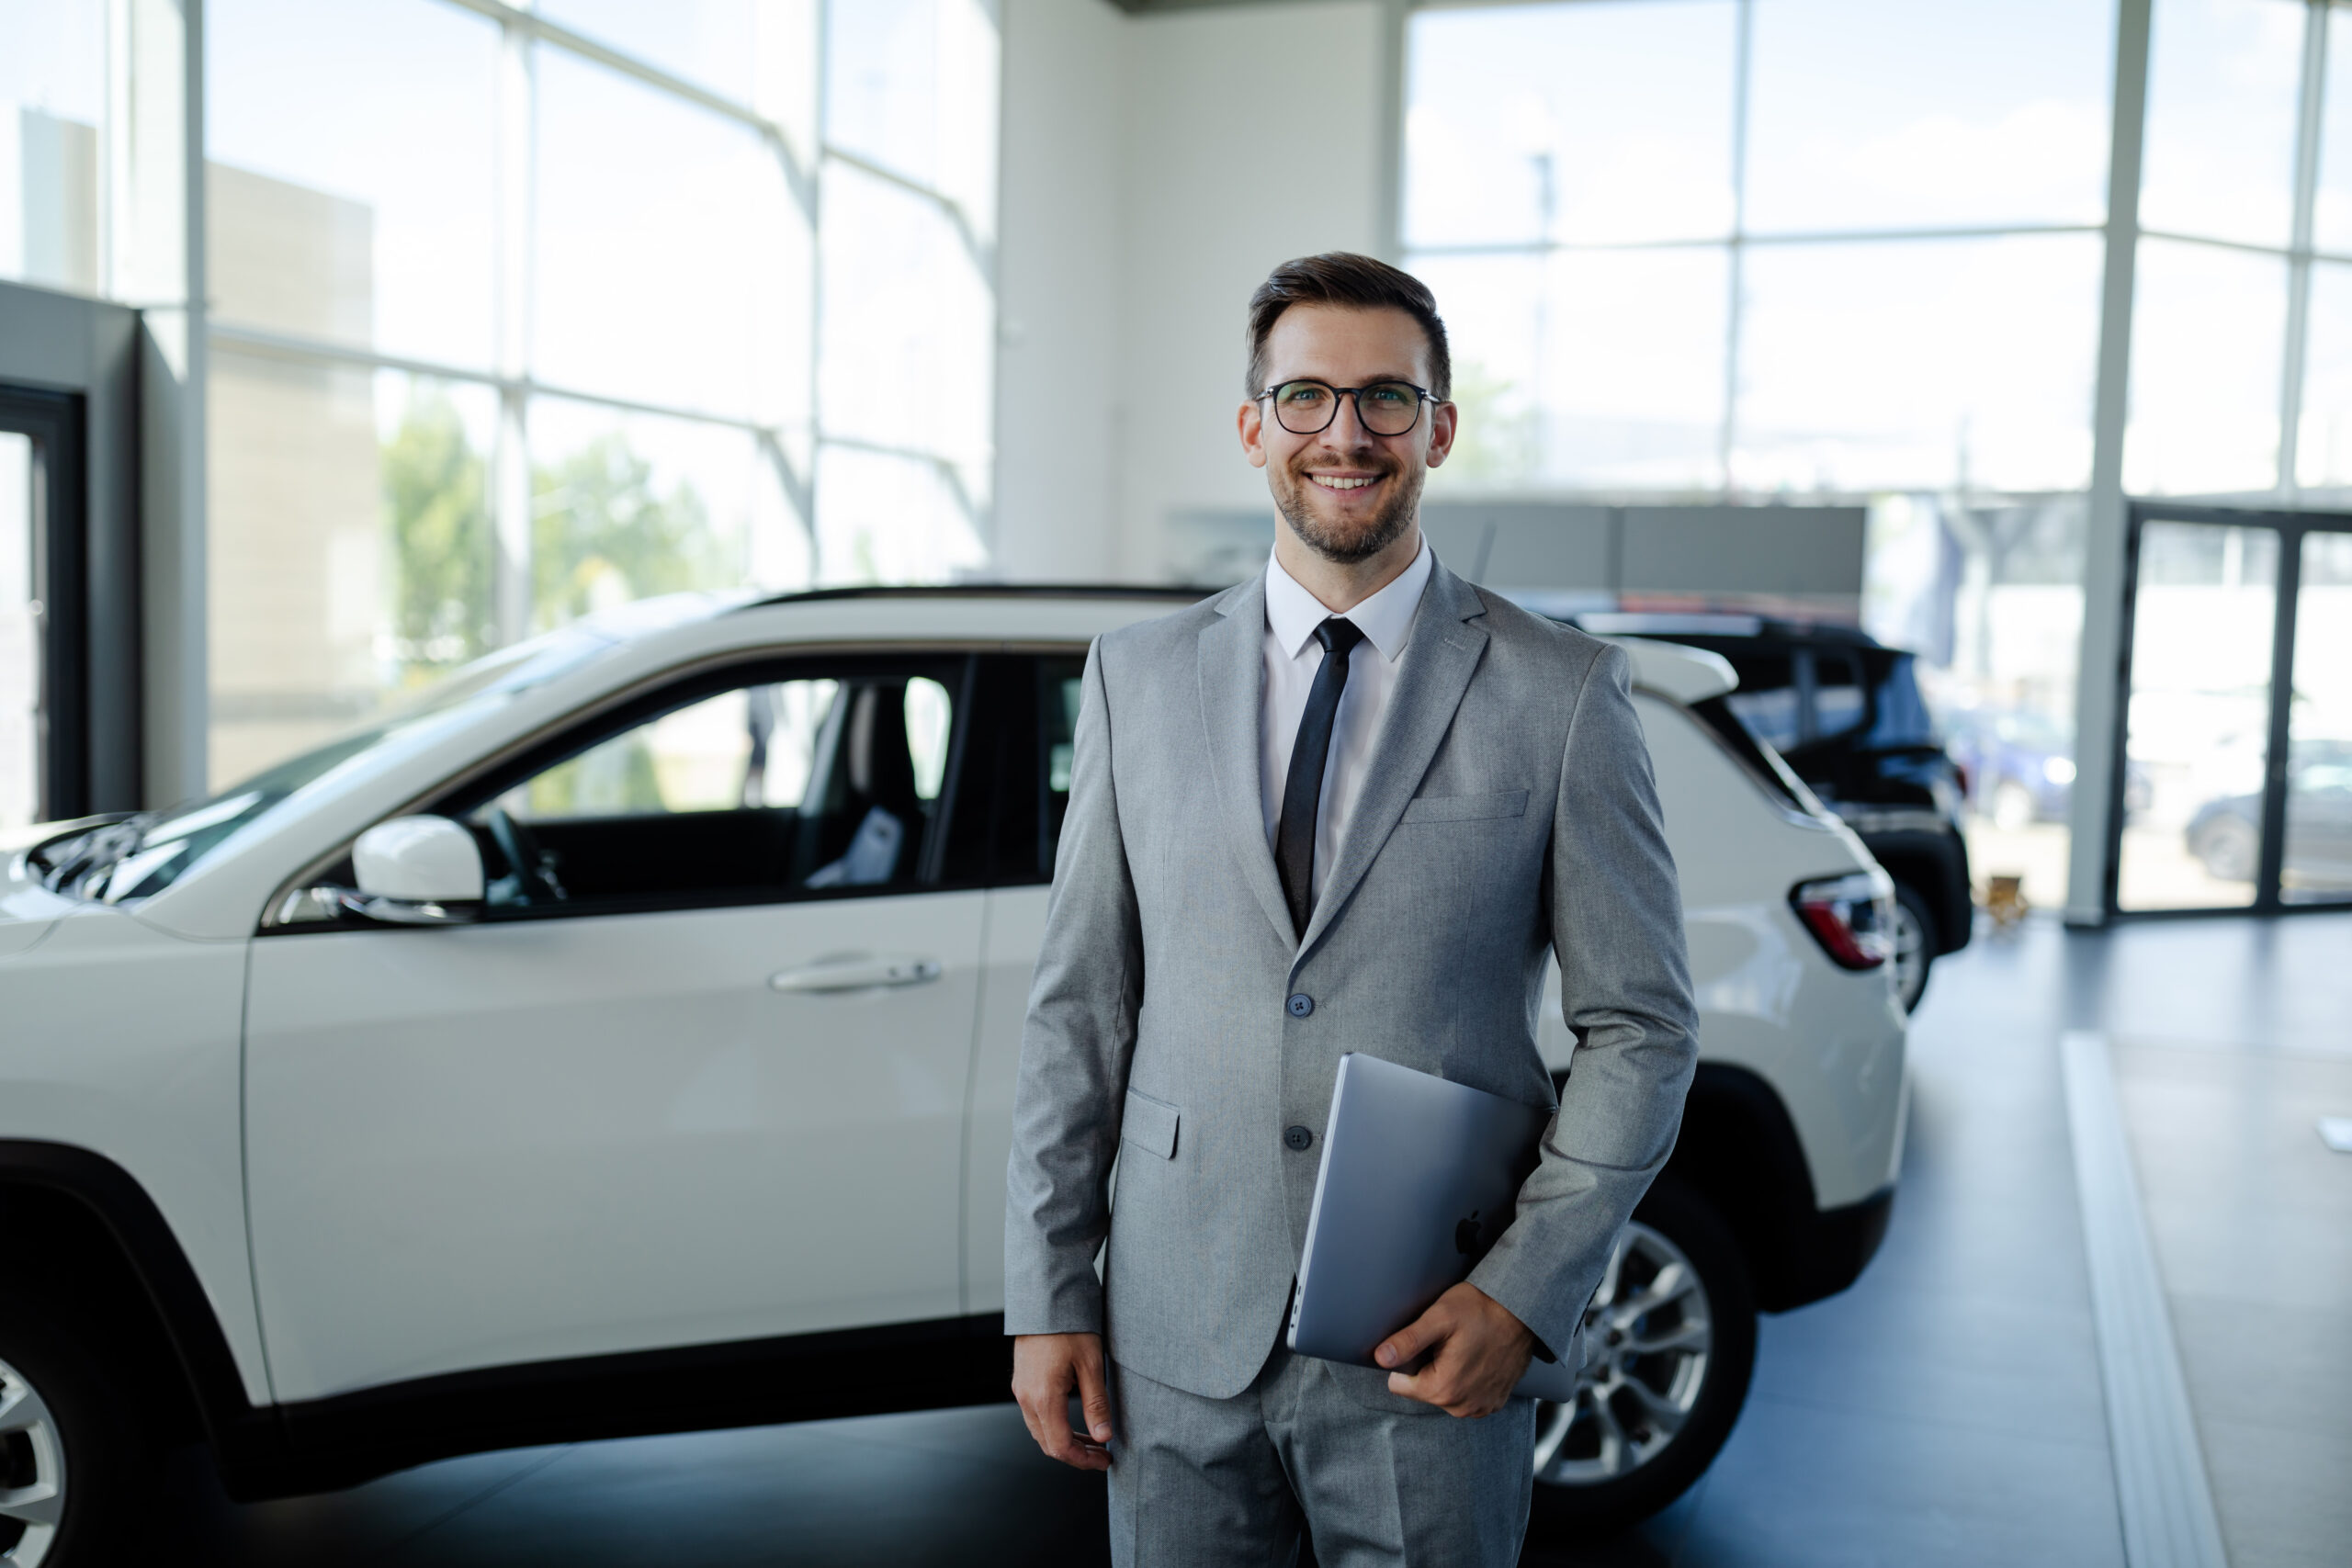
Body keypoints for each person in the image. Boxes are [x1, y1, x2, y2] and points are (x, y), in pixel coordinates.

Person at [1003, 252, 1699, 1566]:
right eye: (1308, 396)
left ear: (1440, 425)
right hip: (1173, 1327)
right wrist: (1046, 1295)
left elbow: (1643, 1029)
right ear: (1253, 423)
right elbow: (1079, 1014)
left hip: (1433, 1331)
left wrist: (1525, 1292)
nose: (1347, 434)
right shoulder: (1133, 680)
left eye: (1386, 399)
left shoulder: (1562, 694)